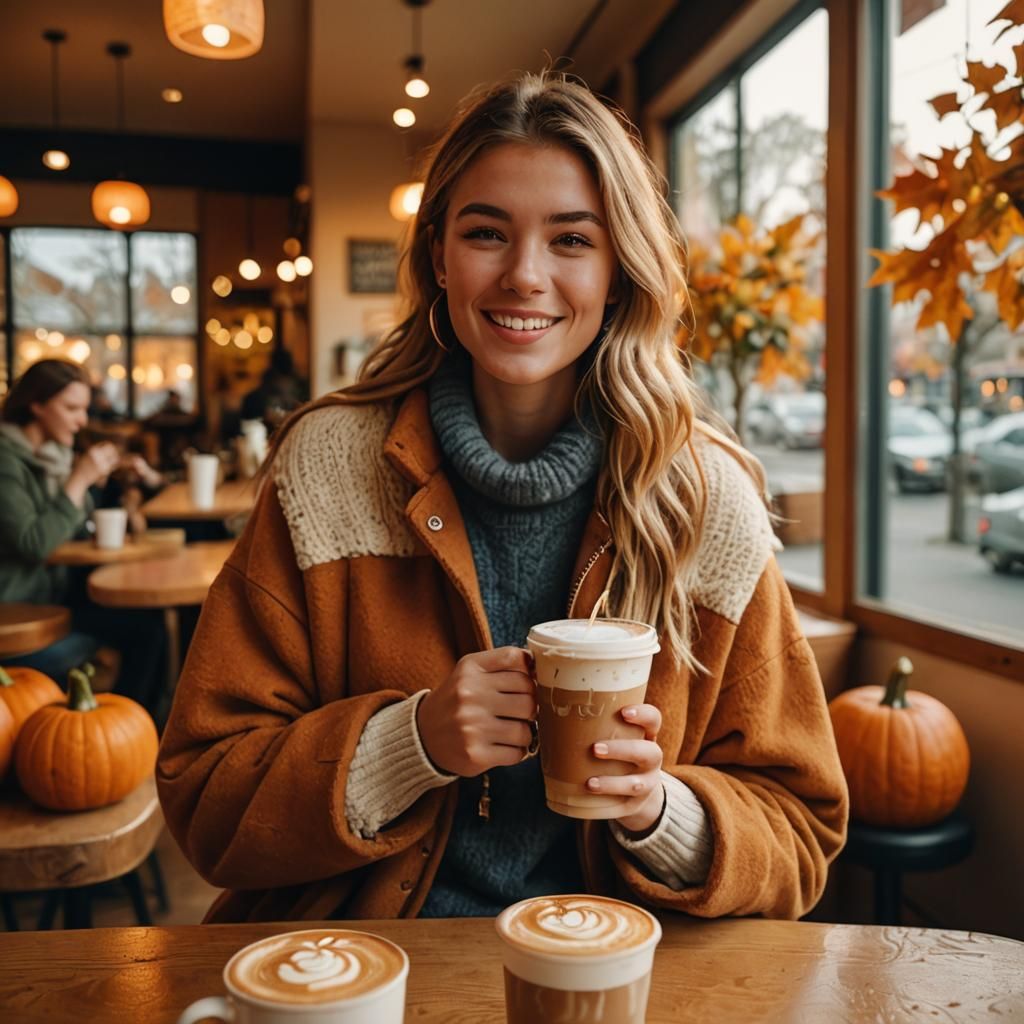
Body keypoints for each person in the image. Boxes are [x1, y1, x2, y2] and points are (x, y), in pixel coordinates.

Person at [157, 73, 848, 925]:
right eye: (488, 232)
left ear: (620, 269)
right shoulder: (329, 468)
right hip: (369, 967)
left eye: (571, 240)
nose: (525, 275)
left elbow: (801, 832)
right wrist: (408, 745)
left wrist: (659, 812)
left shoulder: (705, 502)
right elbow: (204, 799)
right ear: (439, 256)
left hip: (622, 973)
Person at [0, 358, 166, 712]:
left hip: (53, 599)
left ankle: (133, 730)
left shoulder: (53, 456)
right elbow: (35, 544)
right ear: (37, 404)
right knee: (146, 634)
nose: (82, 421)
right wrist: (79, 480)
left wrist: (102, 486)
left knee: (150, 624)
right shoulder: (6, 460)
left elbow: (75, 529)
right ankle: (121, 732)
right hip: (18, 614)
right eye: (72, 408)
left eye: (84, 408)